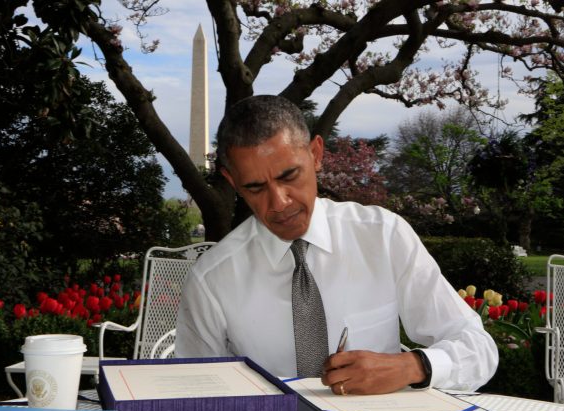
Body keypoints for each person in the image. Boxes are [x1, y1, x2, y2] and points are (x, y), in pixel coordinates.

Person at [175, 95, 498, 395]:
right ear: (233, 183)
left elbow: (478, 348)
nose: (279, 202)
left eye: (289, 175)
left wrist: (412, 367)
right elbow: (194, 389)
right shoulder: (212, 279)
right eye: (255, 187)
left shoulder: (383, 236)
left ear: (316, 154)